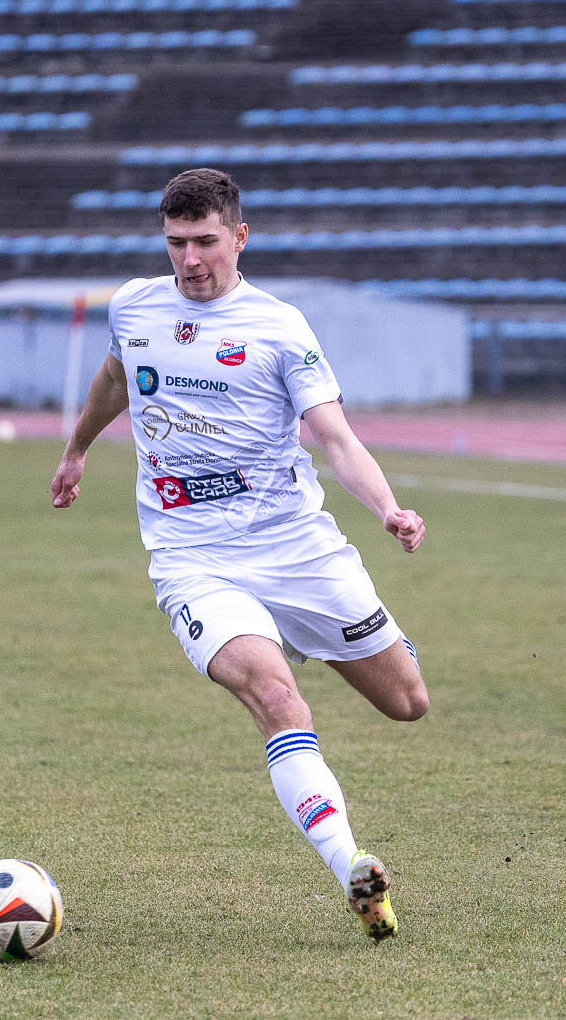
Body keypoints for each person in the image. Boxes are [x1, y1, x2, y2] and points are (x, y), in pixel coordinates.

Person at [50, 168, 428, 944]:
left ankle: (327, 632)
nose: (190, 259)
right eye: (175, 243)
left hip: (294, 546)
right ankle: (352, 866)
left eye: (205, 241)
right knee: (277, 698)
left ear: (240, 237)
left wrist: (388, 508)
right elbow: (117, 375)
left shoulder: (280, 328)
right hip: (193, 556)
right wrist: (78, 447)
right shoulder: (135, 307)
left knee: (407, 700)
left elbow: (335, 437)